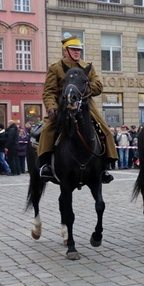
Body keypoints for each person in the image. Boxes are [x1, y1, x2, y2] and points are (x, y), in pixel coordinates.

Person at [39, 35, 118, 182]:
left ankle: (105, 165)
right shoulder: (55, 68)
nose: (77, 52)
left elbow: (98, 86)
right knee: (47, 129)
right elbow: (49, 91)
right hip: (63, 105)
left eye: (79, 50)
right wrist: (52, 108)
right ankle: (45, 165)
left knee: (104, 129)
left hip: (85, 105)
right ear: (65, 51)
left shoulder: (87, 67)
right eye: (73, 49)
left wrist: (85, 88)